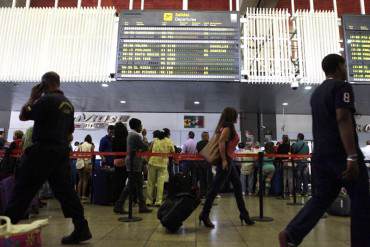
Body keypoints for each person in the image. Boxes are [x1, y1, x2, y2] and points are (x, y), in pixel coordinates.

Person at [279, 54, 370, 247]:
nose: (346, 69)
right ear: (337, 68)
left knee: (322, 199)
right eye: (344, 65)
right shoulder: (341, 87)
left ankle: (291, 234)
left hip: (320, 156)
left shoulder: (316, 93)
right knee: (362, 199)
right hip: (341, 155)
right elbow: (342, 118)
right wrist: (352, 157)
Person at [5, 72, 91, 244]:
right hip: (61, 152)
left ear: (44, 84)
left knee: (23, 187)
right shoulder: (68, 104)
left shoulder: (45, 100)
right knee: (66, 192)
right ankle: (81, 228)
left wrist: (32, 97)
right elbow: (70, 131)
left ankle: (5, 227)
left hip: (42, 151)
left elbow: (23, 116)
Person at [199, 107, 255, 228]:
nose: (237, 117)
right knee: (215, 188)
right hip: (226, 162)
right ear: (232, 116)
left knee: (238, 186)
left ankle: (244, 214)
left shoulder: (225, 126)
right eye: (236, 115)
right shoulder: (228, 127)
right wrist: (224, 160)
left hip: (229, 161)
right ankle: (204, 214)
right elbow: (221, 143)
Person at [114, 118, 152, 214]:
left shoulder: (131, 134)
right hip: (134, 163)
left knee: (139, 185)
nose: (142, 127)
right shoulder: (135, 135)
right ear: (137, 126)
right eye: (140, 125)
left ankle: (142, 206)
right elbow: (145, 147)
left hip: (134, 162)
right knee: (130, 186)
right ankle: (119, 205)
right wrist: (144, 137)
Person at [146, 130, 174, 206]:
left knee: (150, 183)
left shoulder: (154, 140)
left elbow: (149, 150)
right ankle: (158, 201)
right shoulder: (169, 141)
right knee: (160, 183)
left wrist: (147, 160)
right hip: (162, 164)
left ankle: (149, 201)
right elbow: (173, 151)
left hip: (152, 162)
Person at [111, 122, 129, 205]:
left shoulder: (114, 139)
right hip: (124, 160)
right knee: (123, 182)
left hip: (116, 160)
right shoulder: (126, 139)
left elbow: (113, 150)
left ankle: (115, 198)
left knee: (116, 181)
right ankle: (120, 200)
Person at [76, 135, 94, 202]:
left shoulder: (80, 145)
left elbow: (77, 154)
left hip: (79, 163)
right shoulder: (90, 145)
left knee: (80, 180)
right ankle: (83, 196)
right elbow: (92, 155)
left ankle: (78, 195)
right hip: (86, 163)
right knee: (85, 180)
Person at [196, 131, 213, 198]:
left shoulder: (198, 143)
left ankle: (202, 193)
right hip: (208, 164)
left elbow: (198, 152)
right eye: (207, 136)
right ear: (206, 136)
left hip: (200, 164)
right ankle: (208, 194)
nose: (208, 137)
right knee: (208, 180)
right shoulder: (210, 144)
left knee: (202, 179)